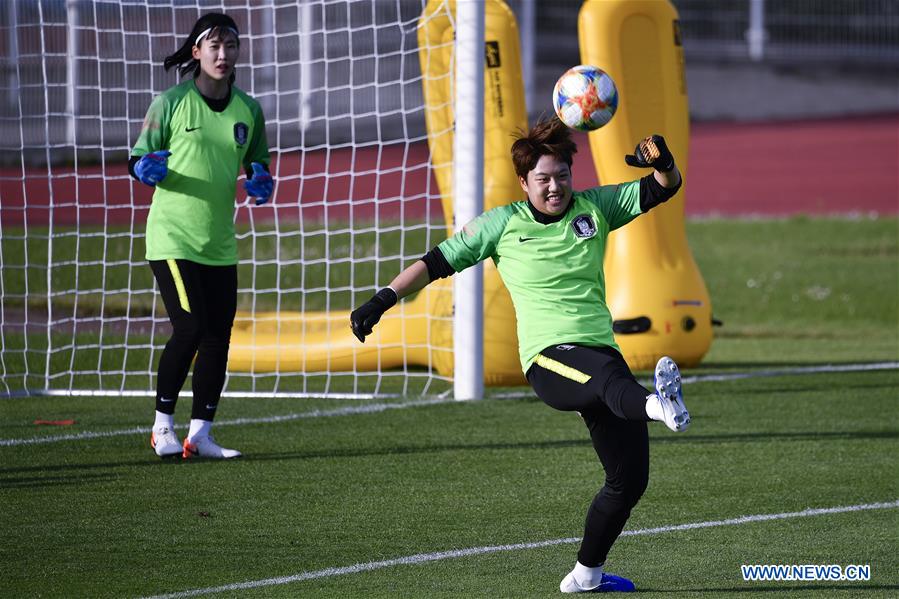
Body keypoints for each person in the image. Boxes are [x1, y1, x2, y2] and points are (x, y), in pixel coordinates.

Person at [350, 117, 691, 593]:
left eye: (563, 176)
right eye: (544, 179)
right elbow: (434, 263)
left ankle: (585, 576)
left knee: (628, 481)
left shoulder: (596, 207)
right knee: (612, 385)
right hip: (549, 358)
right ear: (524, 183)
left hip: (600, 355)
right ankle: (659, 404)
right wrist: (380, 300)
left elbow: (663, 188)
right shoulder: (502, 224)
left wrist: (665, 163)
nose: (556, 187)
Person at [129, 13, 273, 460]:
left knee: (217, 338)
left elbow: (258, 163)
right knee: (189, 328)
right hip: (172, 238)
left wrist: (262, 180)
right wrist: (144, 168)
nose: (223, 54)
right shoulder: (170, 102)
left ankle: (201, 435)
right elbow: (137, 159)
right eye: (214, 45)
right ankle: (161, 426)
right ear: (196, 51)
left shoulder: (248, 109)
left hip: (219, 244)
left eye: (230, 45)